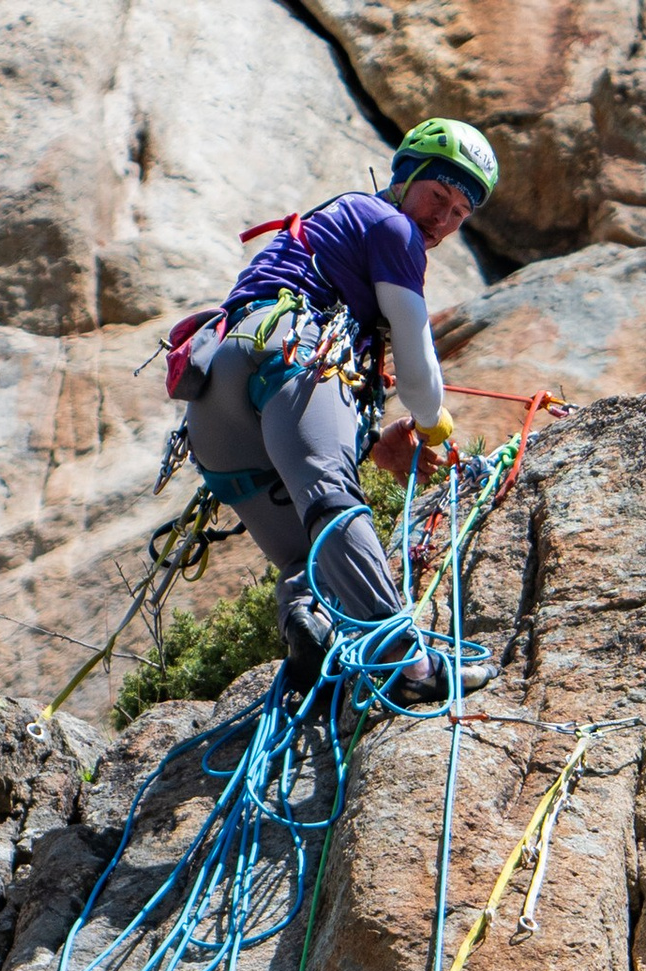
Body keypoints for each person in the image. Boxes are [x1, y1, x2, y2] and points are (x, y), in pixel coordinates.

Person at [179, 116, 499, 705]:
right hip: (287, 354)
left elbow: (305, 416)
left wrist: (375, 442)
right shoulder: (390, 227)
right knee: (333, 503)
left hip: (215, 407)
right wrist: (432, 425)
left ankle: (309, 631)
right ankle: (413, 666)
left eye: (460, 213)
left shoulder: (335, 227)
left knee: (311, 559)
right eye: (438, 195)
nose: (442, 219)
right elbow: (417, 355)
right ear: (406, 178)